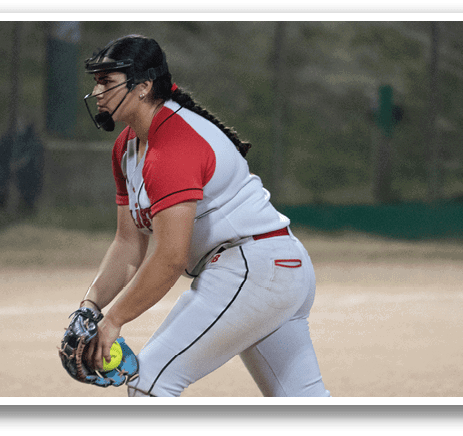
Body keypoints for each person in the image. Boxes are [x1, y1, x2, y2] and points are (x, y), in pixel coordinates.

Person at [75, 35, 330, 397]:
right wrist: (90, 308)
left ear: (144, 86)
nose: (97, 91)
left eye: (107, 81)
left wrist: (113, 320)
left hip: (252, 269)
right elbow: (128, 242)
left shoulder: (172, 145)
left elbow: (169, 258)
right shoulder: (128, 146)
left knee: (150, 383)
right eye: (96, 80)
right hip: (275, 268)